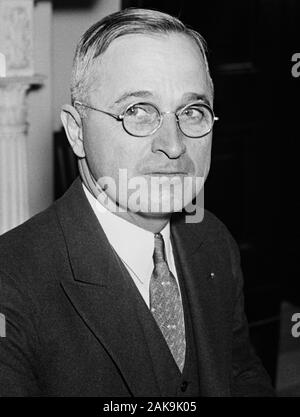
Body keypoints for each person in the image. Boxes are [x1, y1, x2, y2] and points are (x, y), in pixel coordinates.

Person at [0, 8, 275, 397]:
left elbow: (242, 374)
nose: (174, 145)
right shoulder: (10, 283)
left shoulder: (212, 240)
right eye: (138, 111)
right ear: (77, 132)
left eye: (193, 111)